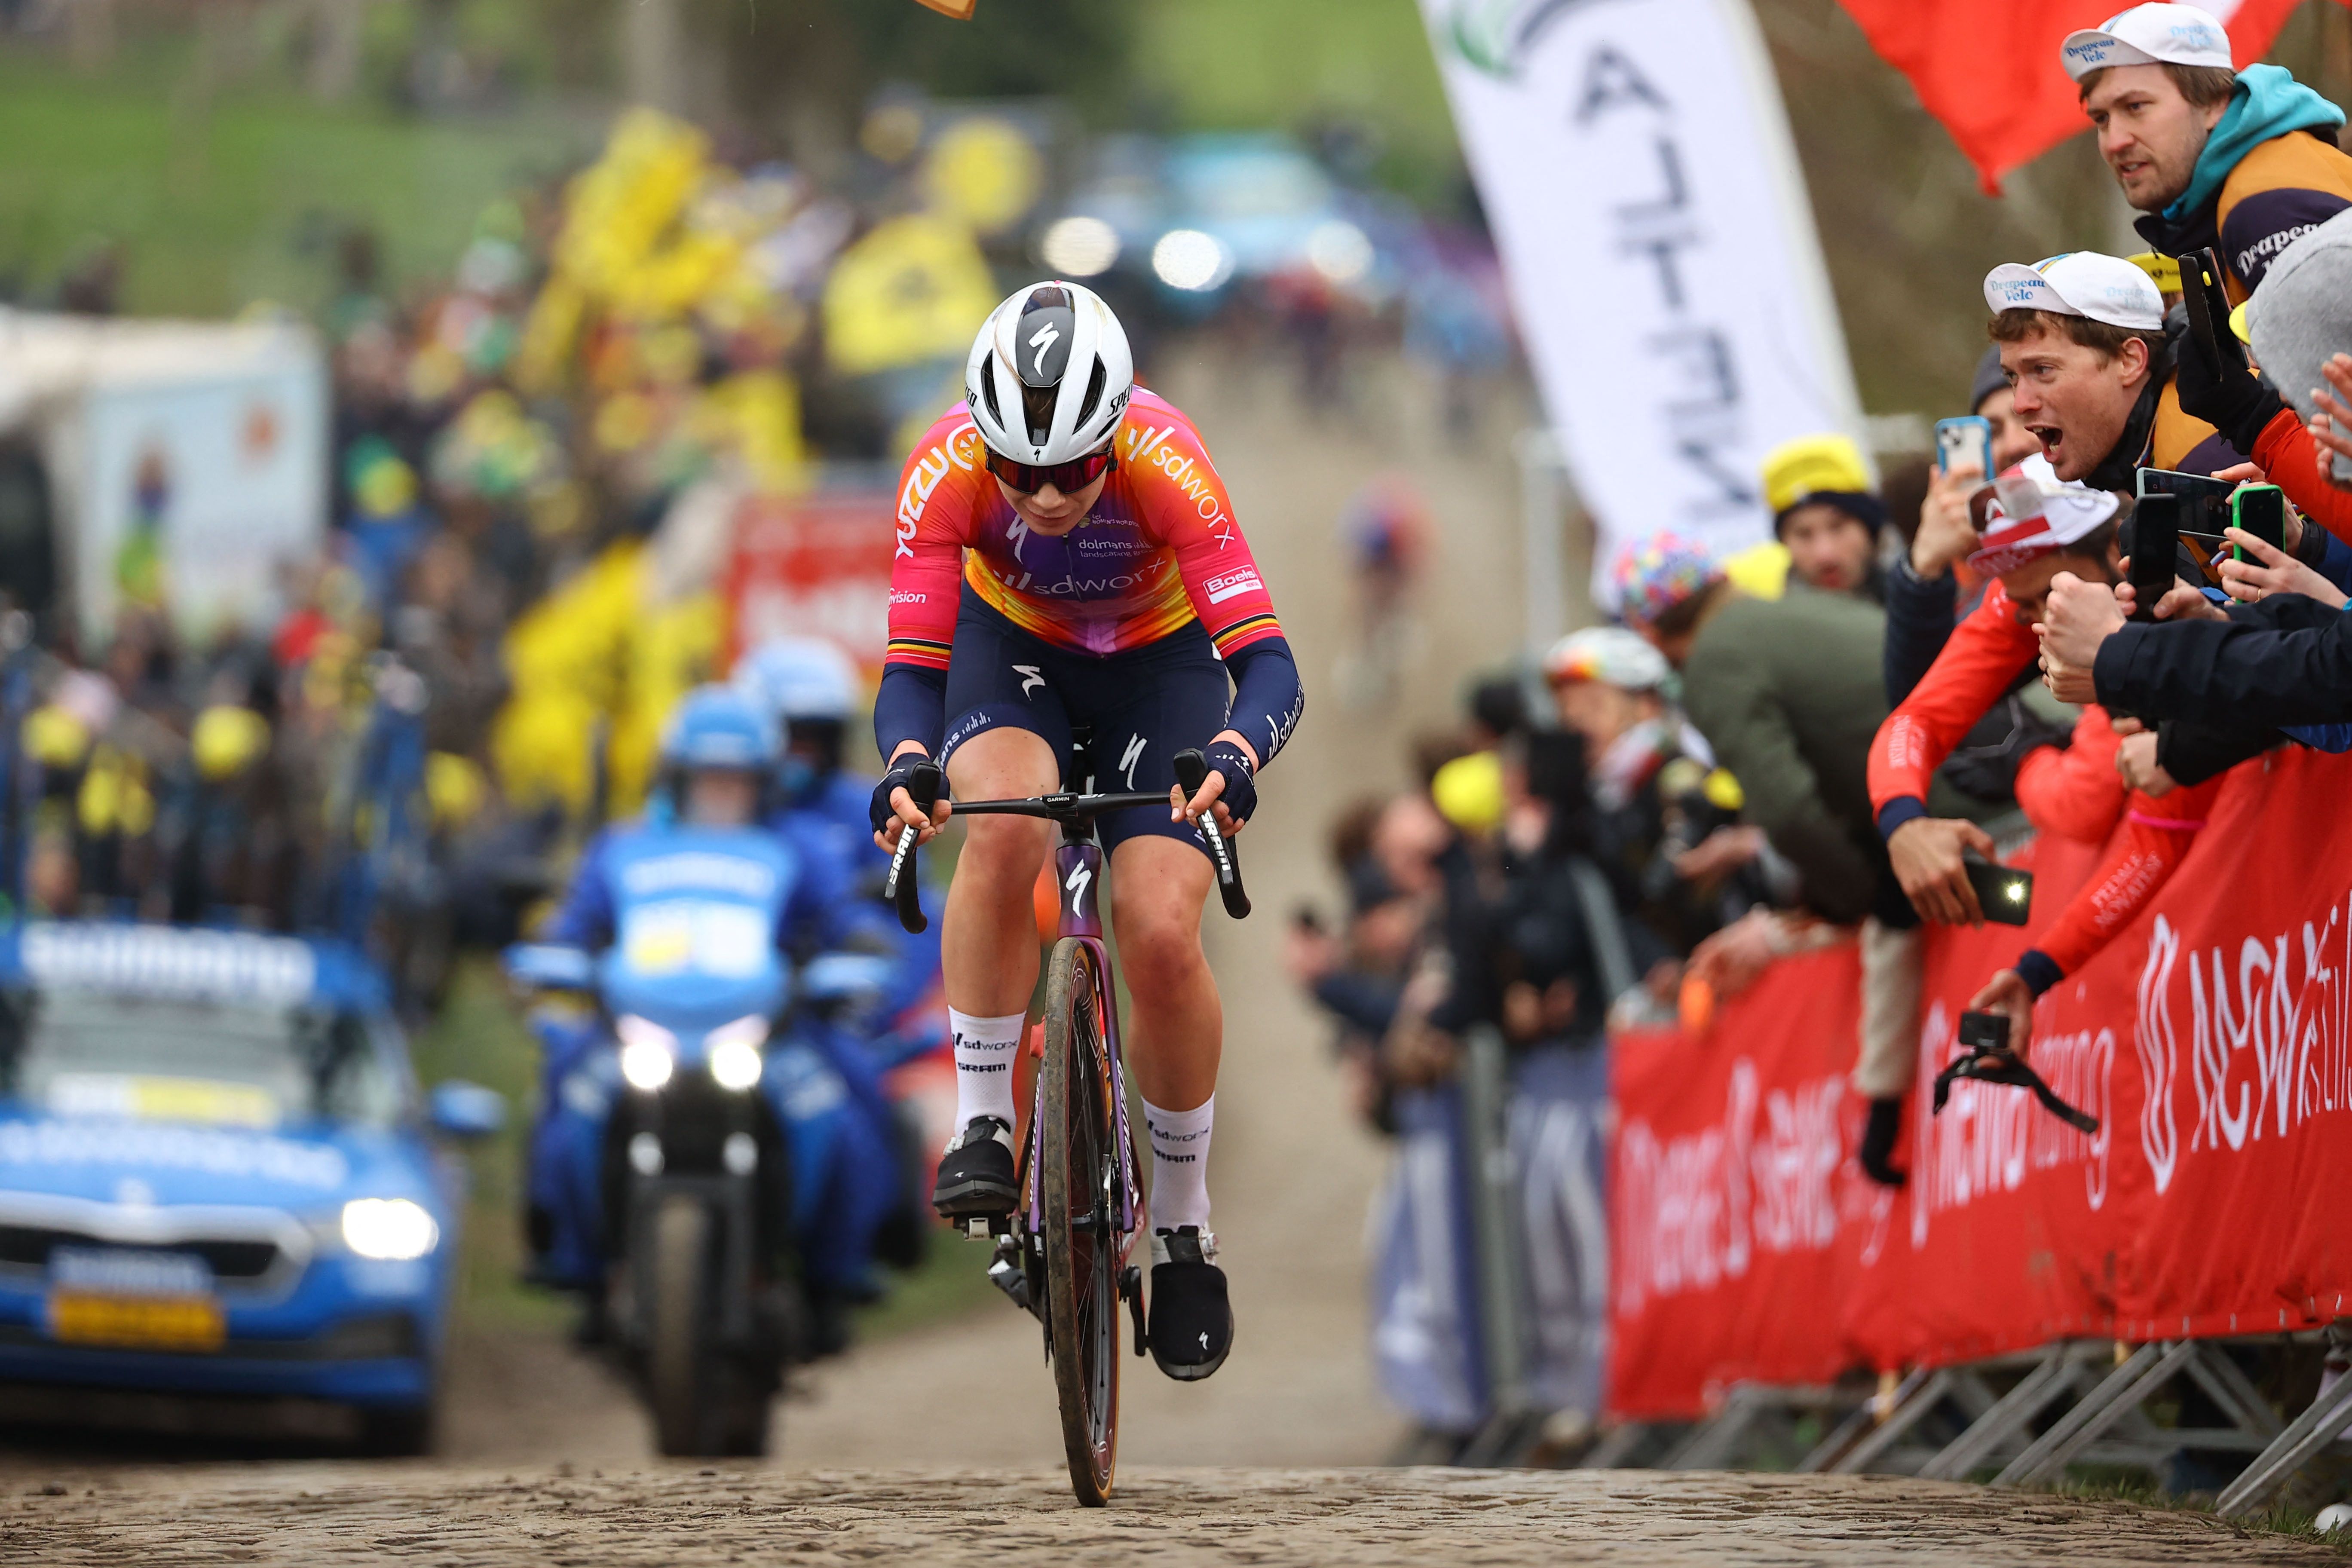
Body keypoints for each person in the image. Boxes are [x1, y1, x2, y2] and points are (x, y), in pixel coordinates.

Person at [869, 280, 1304, 1381]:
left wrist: (1235, 758)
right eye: (1021, 471)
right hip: (1008, 657)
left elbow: (1266, 664)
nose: (1048, 493)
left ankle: (1184, 1228)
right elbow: (911, 677)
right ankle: (984, 1124)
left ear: (1113, 437)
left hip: (1159, 670)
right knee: (1002, 828)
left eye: (1073, 468)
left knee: (1158, 927)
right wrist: (909, 768)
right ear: (986, 447)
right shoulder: (944, 470)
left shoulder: (1167, 463)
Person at [538, 686, 903, 1344]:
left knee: (849, 1104)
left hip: (772, 1033)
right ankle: (579, 1264)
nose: (722, 793)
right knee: (566, 1088)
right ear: (676, 780)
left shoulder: (798, 850)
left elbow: (843, 922)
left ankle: (836, 1275)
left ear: (764, 785)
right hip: (639, 1033)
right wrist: (556, 950)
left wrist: (856, 947)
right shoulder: (624, 849)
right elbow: (575, 925)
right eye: (708, 778)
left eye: (736, 780)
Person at [1617, 533, 1944, 1184]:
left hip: (1951, 809)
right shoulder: (1796, 609)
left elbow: (1788, 810)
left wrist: (1856, 897)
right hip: (1969, 782)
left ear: (1653, 637)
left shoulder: (1716, 659)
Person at [1867, 472, 2229, 1058]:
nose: (2041, 624)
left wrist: (2026, 760)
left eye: (2051, 595)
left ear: (2118, 551)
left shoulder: (2183, 583)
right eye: (2025, 605)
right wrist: (1903, 822)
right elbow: (1915, 722)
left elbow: (2142, 833)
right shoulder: (2021, 597)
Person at [2067, 4, 2352, 300]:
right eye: (2101, 119)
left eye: (2136, 107)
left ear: (2214, 104)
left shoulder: (2266, 209)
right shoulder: (2271, 177)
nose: (2115, 142)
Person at [1760, 433, 1886, 600]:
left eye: (1838, 528)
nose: (1825, 555)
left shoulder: (1921, 606)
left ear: (1870, 531)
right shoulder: (1764, 617)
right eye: (1803, 535)